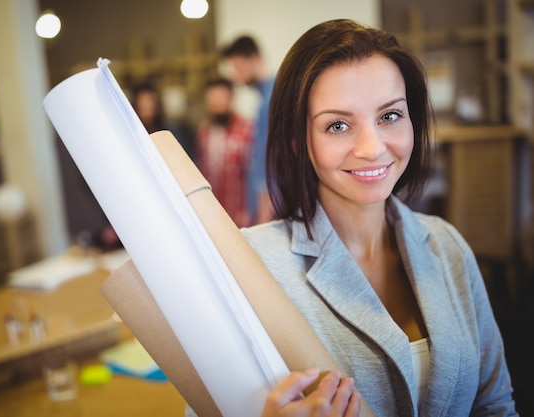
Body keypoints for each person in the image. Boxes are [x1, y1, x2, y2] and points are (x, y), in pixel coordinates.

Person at [186, 19, 518, 417]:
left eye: (390, 116)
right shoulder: (249, 268)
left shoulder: (447, 245)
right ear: (298, 141)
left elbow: (494, 403)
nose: (372, 148)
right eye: (338, 125)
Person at [221, 35, 276, 225]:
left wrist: (263, 219)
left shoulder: (271, 100)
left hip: (269, 211)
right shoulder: (265, 98)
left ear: (254, 59)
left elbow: (269, 166)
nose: (236, 76)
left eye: (238, 68)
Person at [195, 77, 253, 227]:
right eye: (213, 100)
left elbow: (254, 175)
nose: (217, 104)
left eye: (221, 98)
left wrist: (251, 209)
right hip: (214, 213)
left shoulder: (247, 129)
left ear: (231, 98)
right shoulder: (205, 132)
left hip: (244, 213)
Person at [130, 81, 196, 159]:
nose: (148, 106)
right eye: (143, 101)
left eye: (150, 100)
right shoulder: (131, 136)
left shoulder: (173, 133)